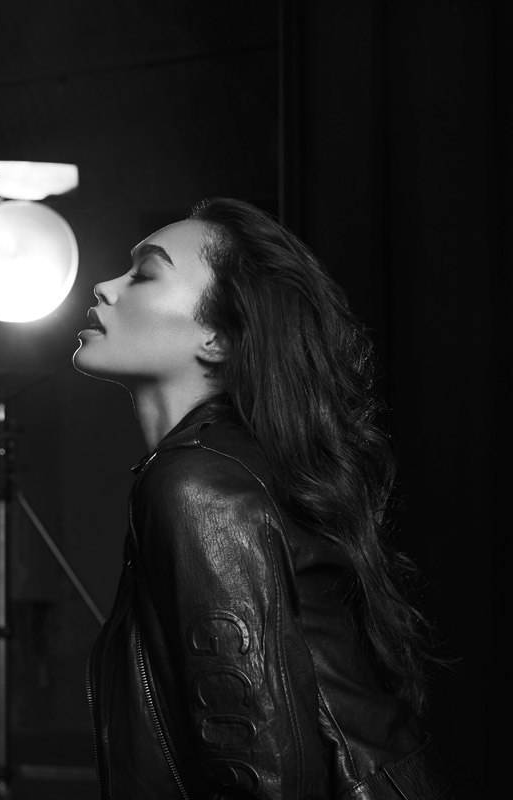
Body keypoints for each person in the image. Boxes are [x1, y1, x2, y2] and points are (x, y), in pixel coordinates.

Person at [74, 198, 452, 799]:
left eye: (144, 274)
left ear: (218, 337)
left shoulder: (199, 486)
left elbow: (262, 776)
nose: (104, 286)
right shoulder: (228, 464)